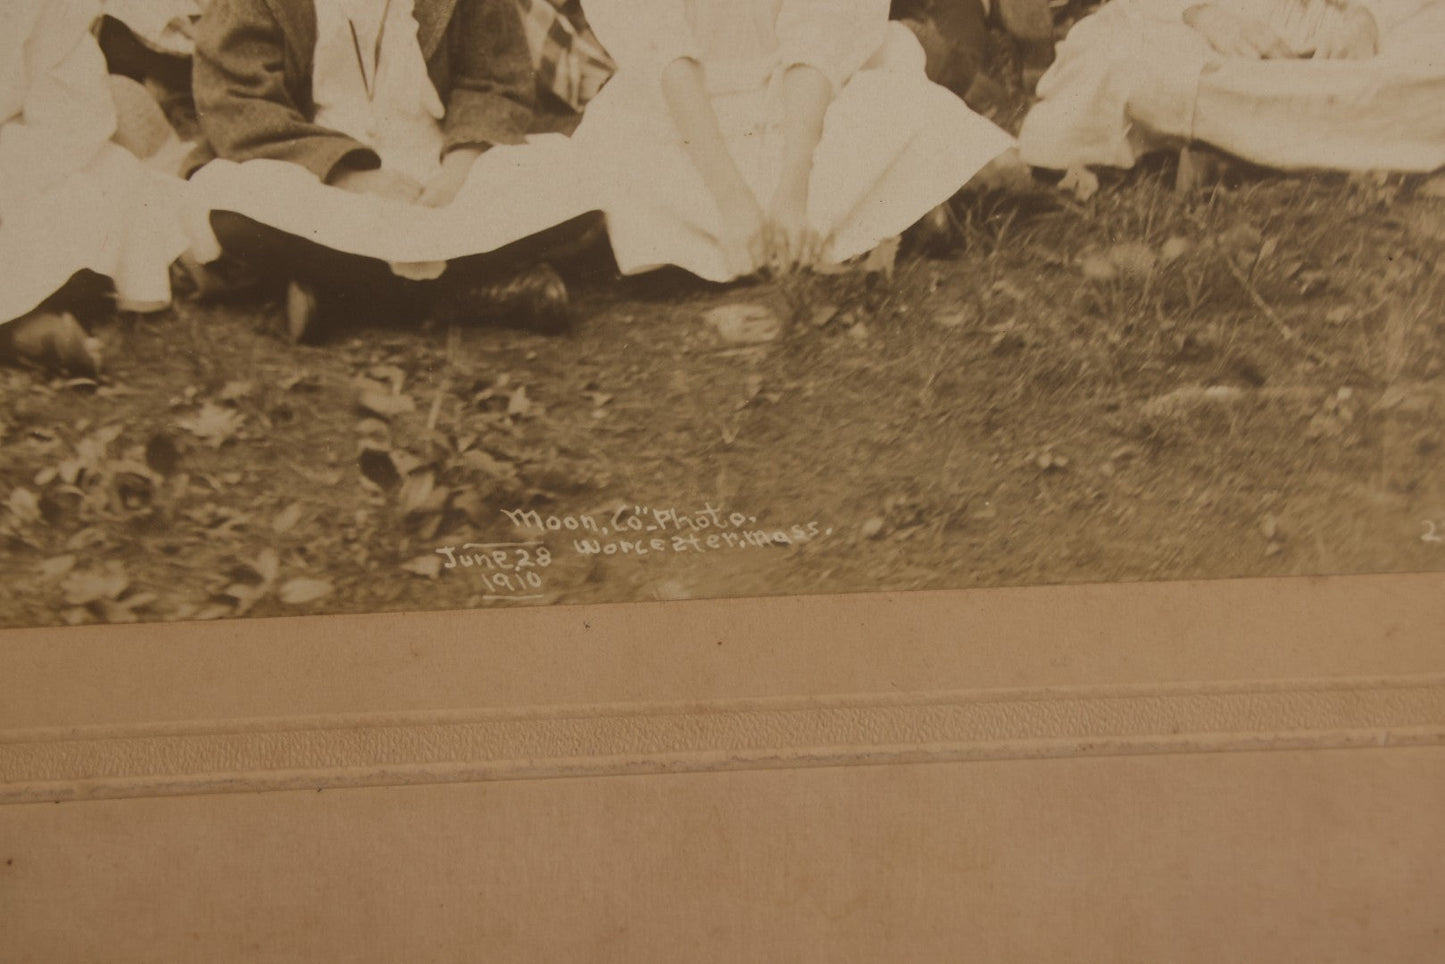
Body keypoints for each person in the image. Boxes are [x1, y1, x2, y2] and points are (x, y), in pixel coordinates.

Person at [185, 0, 599, 342]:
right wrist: (350, 176)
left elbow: (493, 80)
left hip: (438, 162)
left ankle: (343, 292)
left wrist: (459, 170)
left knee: (576, 182)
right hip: (315, 169)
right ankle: (472, 291)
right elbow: (236, 99)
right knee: (230, 207)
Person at [571, 0, 1019, 284]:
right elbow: (666, 60)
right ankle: (888, 212)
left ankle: (821, 220)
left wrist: (792, 189)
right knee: (614, 144)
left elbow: (816, 43)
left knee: (896, 92)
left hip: (798, 104)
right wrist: (732, 199)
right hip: (690, 118)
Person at [1017, 0, 1445, 177]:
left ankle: (1221, 142)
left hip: (1332, 31)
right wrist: (1201, 12)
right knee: (1111, 57)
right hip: (1194, 35)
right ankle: (1308, 138)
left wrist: (1365, 16)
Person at [0, 0, 192, 375]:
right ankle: (19, 330)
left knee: (111, 174)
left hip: (26, 140)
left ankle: (39, 318)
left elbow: (72, 104)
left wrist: (23, 153)